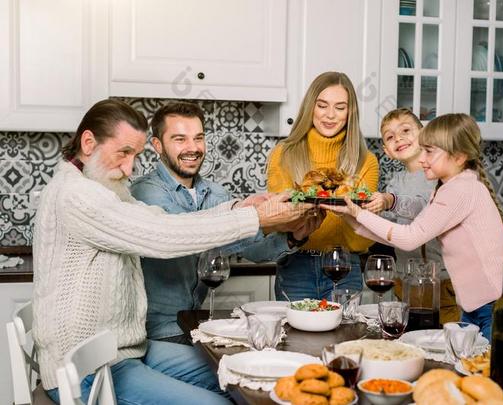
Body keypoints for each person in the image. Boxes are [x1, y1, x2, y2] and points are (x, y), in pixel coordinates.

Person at [33, 99, 309, 405]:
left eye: (135, 156)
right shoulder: (77, 197)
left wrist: (241, 208)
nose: (129, 168)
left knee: (241, 375)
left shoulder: (100, 188)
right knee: (220, 401)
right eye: (123, 153)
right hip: (87, 371)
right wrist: (257, 218)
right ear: (88, 142)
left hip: (122, 351)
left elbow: (162, 221)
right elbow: (161, 236)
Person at [322, 113, 503, 341]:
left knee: (491, 375)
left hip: (498, 308)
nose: (422, 159)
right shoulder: (450, 186)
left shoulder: (459, 191)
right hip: (477, 308)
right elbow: (406, 232)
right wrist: (352, 218)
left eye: (429, 151)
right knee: (466, 372)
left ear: (459, 157)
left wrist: (359, 214)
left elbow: (411, 237)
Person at [130, 101, 323, 343]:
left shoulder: (216, 194)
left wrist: (293, 234)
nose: (193, 148)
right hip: (159, 331)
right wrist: (258, 218)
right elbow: (183, 237)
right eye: (180, 139)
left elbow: (252, 249)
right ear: (157, 145)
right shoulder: (145, 193)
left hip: (196, 322)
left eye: (198, 138)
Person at [267, 71, 379, 301]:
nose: (330, 115)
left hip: (345, 267)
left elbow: (363, 238)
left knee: (346, 336)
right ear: (311, 108)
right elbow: (278, 223)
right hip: (296, 267)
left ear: (350, 113)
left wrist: (349, 211)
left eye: (340, 107)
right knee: (295, 337)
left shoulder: (365, 161)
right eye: (322, 105)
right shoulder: (284, 154)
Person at [363, 108, 458, 324]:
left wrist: (390, 200)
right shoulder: (395, 181)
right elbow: (390, 228)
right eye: (390, 137)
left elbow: (425, 211)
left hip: (443, 284)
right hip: (404, 282)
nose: (399, 138)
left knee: (444, 345)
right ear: (387, 150)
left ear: (424, 134)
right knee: (410, 342)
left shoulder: (441, 175)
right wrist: (359, 212)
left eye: (405, 130)